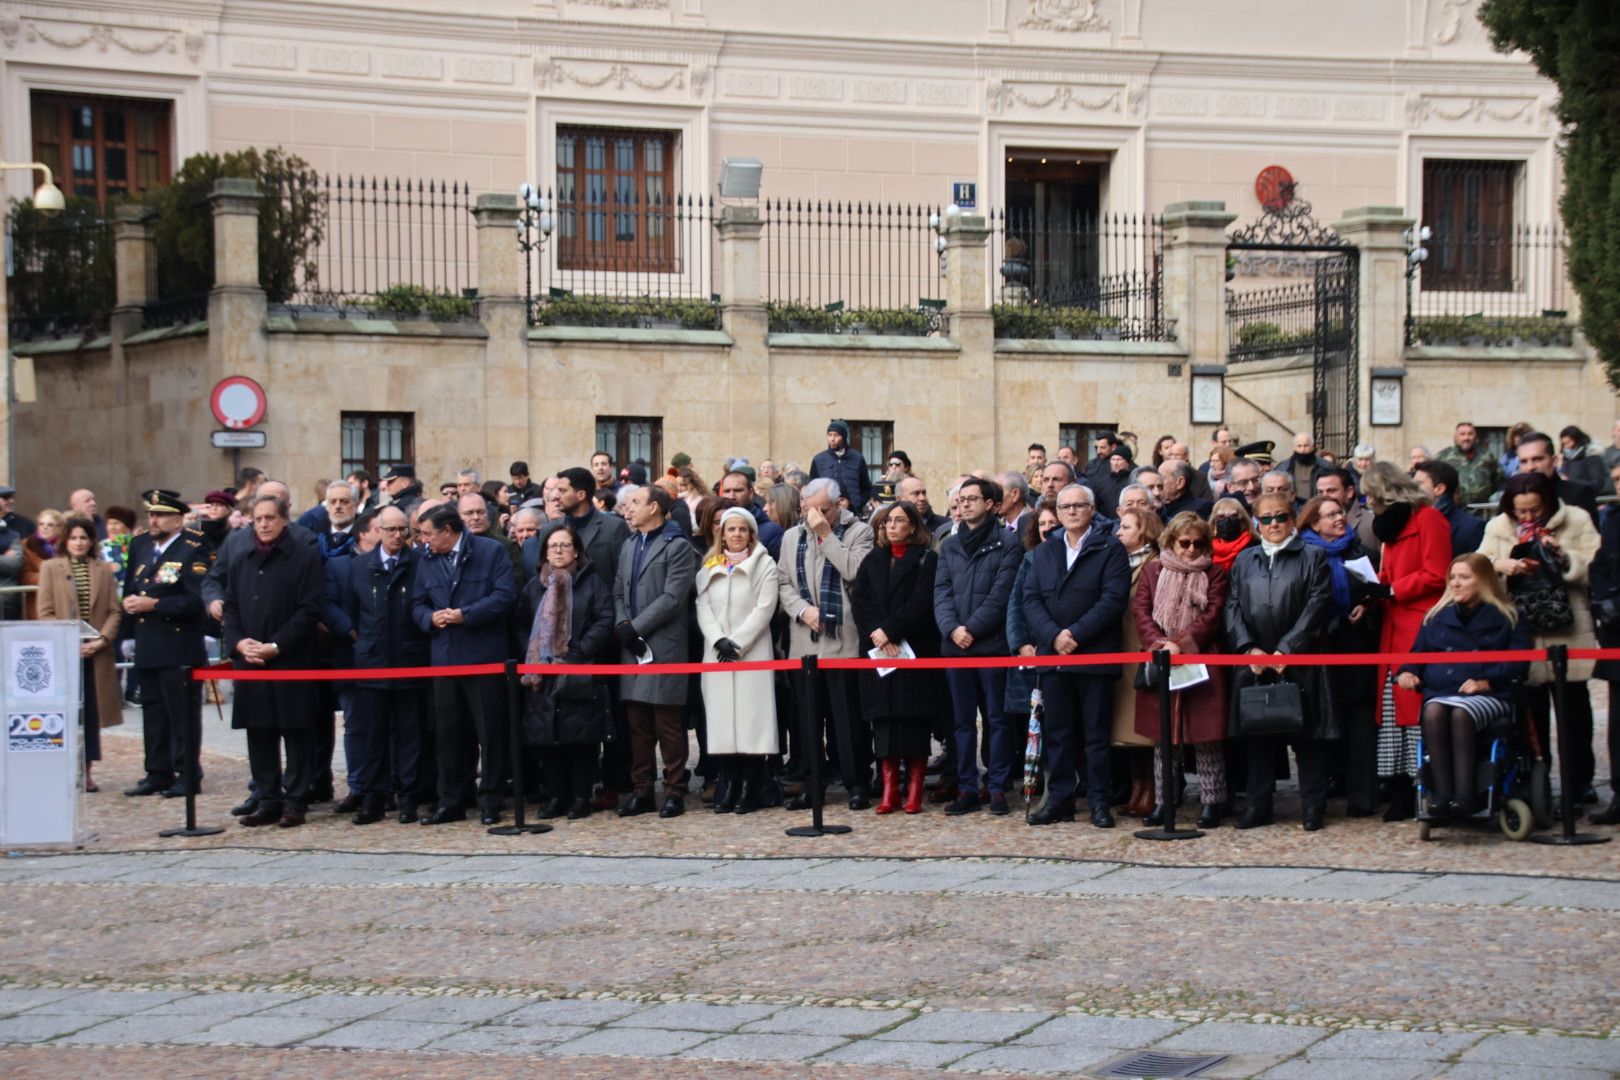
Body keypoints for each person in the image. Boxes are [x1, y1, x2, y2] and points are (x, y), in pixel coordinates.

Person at [1480, 470, 1601, 803]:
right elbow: (1479, 567)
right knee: (1530, 717)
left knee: (1574, 714)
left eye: (1535, 510)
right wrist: (1501, 566)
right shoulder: (1497, 527)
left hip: (1568, 630)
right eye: (1522, 511)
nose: (1529, 517)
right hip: (1524, 632)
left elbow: (1594, 566)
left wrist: (1561, 555)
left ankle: (1579, 784)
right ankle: (1538, 786)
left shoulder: (1576, 520)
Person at [1223, 491, 1336, 831]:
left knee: (1308, 737)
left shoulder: (1313, 556)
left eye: (1281, 517)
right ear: (1257, 523)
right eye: (1266, 518)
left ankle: (1313, 807)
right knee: (1259, 735)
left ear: (1292, 519)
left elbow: (1317, 605)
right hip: (1256, 660)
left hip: (1298, 660)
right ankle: (1258, 805)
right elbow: (1232, 605)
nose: (1274, 524)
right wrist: (1247, 647)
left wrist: (1288, 648)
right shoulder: (1246, 559)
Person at [1023, 483, 1132, 828]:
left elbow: (1113, 600)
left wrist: (1075, 634)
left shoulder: (1110, 549)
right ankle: (1060, 800)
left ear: (1091, 509)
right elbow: (1030, 599)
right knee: (1058, 733)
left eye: (1078, 506)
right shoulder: (1044, 552)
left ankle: (1100, 802)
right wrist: (1054, 636)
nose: (1071, 511)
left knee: (1096, 734)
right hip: (1054, 656)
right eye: (1064, 506)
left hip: (1094, 656)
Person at [1396, 553, 1533, 818]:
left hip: (1491, 692)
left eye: (1464, 577)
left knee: (1461, 714)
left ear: (1482, 581)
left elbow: (1518, 664)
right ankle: (1442, 796)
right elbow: (1417, 655)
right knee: (1433, 712)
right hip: (1443, 691)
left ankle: (1465, 797)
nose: (1456, 583)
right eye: (1453, 577)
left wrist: (1486, 681)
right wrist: (1408, 673)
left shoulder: (1510, 616)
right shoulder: (1435, 616)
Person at [412, 504, 518, 826]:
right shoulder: (426, 560)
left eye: (427, 533)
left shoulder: (490, 551)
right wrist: (429, 618)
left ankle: (490, 800)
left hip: (483, 657)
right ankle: (451, 801)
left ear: (447, 531)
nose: (422, 540)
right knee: (448, 735)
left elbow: (505, 595)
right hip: (445, 659)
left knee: (490, 732)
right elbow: (417, 603)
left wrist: (465, 614)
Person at [223, 495, 325, 828]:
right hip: (251, 661)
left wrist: (277, 645)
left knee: (295, 732)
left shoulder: (305, 558)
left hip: (290, 659)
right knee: (260, 731)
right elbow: (232, 607)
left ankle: (295, 800)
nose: (264, 524)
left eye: (270, 518)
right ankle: (268, 797)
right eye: (258, 519)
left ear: (284, 520)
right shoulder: (241, 559)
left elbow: (309, 610)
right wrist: (239, 643)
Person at [777, 477, 876, 808]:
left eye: (824, 509)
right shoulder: (792, 537)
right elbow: (783, 582)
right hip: (805, 640)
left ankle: (856, 782)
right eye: (809, 509)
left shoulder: (859, 531)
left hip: (842, 640)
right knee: (806, 720)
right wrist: (803, 610)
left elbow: (855, 571)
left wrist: (825, 535)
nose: (815, 515)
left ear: (839, 505)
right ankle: (811, 783)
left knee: (847, 720)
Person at [1361, 462, 1452, 821]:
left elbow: (1436, 572)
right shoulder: (1392, 528)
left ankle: (1422, 786)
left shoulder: (1427, 519)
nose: (1369, 503)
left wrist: (1394, 588)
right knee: (1391, 711)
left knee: (1412, 708)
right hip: (1393, 623)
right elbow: (1391, 571)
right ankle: (1398, 786)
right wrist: (1374, 588)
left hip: (1418, 622)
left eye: (1372, 496)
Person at [1132, 512, 1230, 827]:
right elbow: (1141, 609)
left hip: (1200, 658)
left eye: (1198, 544)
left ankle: (1212, 802)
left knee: (1206, 736)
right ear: (1171, 541)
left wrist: (1182, 643)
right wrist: (1158, 644)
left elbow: (1213, 614)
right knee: (1164, 736)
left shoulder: (1214, 573)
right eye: (1184, 543)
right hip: (1159, 658)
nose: (1191, 550)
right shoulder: (1153, 570)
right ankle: (1164, 801)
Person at [933, 476, 1024, 816]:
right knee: (961, 722)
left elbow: (1002, 593)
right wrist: (952, 629)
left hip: (991, 646)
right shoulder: (951, 545)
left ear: (991, 504)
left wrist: (971, 628)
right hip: (955, 647)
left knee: (997, 720)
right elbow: (941, 592)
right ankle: (967, 786)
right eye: (962, 498)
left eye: (973, 498)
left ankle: (997, 786)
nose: (966, 503)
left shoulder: (1007, 543)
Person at [342, 505, 432, 824]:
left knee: (410, 735)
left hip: (410, 661)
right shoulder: (359, 566)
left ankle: (408, 797)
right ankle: (374, 798)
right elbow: (352, 612)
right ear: (377, 531)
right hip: (372, 662)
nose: (397, 536)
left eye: (402, 530)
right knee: (372, 735)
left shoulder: (421, 564)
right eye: (391, 530)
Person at [852, 501, 943, 815]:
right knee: (885, 723)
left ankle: (915, 787)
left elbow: (922, 604)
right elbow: (860, 602)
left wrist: (890, 630)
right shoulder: (872, 560)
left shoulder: (926, 560)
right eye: (887, 521)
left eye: (899, 520)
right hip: (878, 651)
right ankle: (890, 787)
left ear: (913, 526)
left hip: (913, 648)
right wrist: (876, 633)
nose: (891, 526)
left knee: (913, 722)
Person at [519, 523, 615, 821]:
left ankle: (580, 797)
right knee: (548, 741)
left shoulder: (591, 582)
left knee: (580, 740)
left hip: (579, 670)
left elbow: (604, 619)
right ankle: (555, 796)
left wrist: (578, 651)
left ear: (576, 550)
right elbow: (521, 624)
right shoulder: (534, 585)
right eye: (553, 546)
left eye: (564, 545)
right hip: (541, 673)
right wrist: (534, 655)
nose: (558, 550)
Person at [121, 490, 213, 798]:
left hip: (179, 645)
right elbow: (132, 588)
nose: (153, 520)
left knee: (181, 714)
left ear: (177, 518)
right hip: (149, 643)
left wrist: (155, 606)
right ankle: (156, 771)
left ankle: (187, 774)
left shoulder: (192, 548)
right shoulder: (143, 546)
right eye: (151, 514)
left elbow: (195, 600)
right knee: (154, 711)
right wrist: (130, 624)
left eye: (160, 515)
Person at [614, 484, 698, 818]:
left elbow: (673, 598)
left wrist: (636, 627)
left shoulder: (677, 546)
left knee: (668, 724)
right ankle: (642, 789)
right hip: (631, 646)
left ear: (655, 508)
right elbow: (618, 590)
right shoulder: (629, 544)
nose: (628, 508)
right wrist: (623, 625)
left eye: (635, 502)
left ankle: (675, 789)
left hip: (663, 644)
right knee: (638, 724)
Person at [1297, 494, 1383, 817]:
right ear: (1314, 523)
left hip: (1355, 643)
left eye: (1340, 512)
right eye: (1330, 514)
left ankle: (1362, 796)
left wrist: (1368, 604)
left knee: (1360, 720)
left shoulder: (1363, 553)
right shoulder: (1304, 554)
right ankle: (1324, 791)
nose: (1339, 518)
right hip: (1319, 644)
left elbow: (1378, 592)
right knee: (1321, 718)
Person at [694, 507, 781, 814]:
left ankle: (750, 786)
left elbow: (765, 607)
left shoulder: (765, 565)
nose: (736, 535)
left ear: (751, 533)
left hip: (751, 651)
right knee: (722, 721)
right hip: (717, 653)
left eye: (742, 530)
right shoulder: (709, 567)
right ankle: (727, 784)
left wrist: (738, 642)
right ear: (722, 534)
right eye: (731, 529)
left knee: (751, 721)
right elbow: (703, 606)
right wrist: (718, 639)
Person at [36, 516, 122, 792]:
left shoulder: (103, 570)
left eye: (83, 538)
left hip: (95, 652)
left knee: (91, 715)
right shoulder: (50, 568)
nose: (78, 543)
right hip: (64, 651)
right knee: (65, 713)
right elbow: (45, 612)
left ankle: (86, 770)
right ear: (65, 540)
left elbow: (113, 610)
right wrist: (67, 639)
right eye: (73, 538)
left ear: (91, 541)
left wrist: (101, 639)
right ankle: (64, 767)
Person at [1111, 506, 1161, 818]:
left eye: (1126, 528)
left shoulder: (1153, 564)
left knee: (1147, 731)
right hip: (1124, 653)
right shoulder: (1122, 563)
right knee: (1127, 732)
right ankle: (1137, 788)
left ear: (1144, 532)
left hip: (1144, 653)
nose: (1119, 532)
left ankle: (1152, 792)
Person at [1517, 430, 1599, 519]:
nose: (1530, 467)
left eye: (1537, 459)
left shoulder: (1579, 495)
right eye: (1524, 461)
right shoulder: (1511, 498)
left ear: (1554, 461)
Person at [1413, 460, 1486, 556]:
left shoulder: (1471, 528)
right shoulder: (1411, 522)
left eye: (1418, 484)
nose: (1411, 488)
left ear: (1439, 489)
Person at [1435, 422, 1505, 508]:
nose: (1466, 438)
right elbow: (1433, 479)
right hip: (1454, 509)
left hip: (1481, 509)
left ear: (1475, 437)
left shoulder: (1486, 456)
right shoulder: (1443, 456)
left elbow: (1499, 478)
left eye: (1470, 434)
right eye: (1462, 434)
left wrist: (1485, 492)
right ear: (1455, 437)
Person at [810, 419, 873, 513]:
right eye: (830, 435)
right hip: (826, 513)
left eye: (836, 435)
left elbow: (866, 489)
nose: (832, 439)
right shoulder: (819, 460)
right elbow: (812, 488)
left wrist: (856, 504)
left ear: (844, 437)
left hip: (853, 513)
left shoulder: (858, 458)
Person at [1314, 467, 1379, 557]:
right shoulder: (1311, 524)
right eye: (1320, 492)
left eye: (1331, 491)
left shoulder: (1371, 523)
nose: (1324, 497)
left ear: (1349, 492)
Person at [20, 509, 64, 619]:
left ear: (59, 528)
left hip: (63, 600)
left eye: (50, 525)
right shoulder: (27, 546)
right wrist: (50, 577)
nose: (45, 527)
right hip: (37, 601)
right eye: (41, 524)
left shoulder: (68, 546)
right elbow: (25, 575)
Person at [1559, 425, 1608, 495]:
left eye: (1568, 442)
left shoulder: (1592, 457)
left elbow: (1597, 484)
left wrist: (1570, 481)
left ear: (1577, 440)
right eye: (1563, 444)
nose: (1566, 447)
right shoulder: (1566, 459)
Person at [1210, 497, 1255, 573]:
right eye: (1221, 516)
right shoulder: (1207, 551)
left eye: (1233, 516)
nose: (1227, 520)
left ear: (1243, 522)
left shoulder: (1254, 548)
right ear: (1214, 523)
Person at [1285, 432, 1329, 503]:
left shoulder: (1325, 466)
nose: (1302, 450)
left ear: (1312, 447)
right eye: (1299, 446)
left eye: (1306, 446)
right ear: (1294, 448)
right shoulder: (1284, 467)